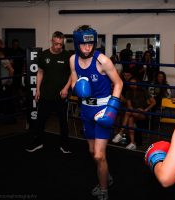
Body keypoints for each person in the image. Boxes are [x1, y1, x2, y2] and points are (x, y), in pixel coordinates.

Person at [70, 25, 123, 200]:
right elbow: (73, 81)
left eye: (91, 44)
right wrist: (78, 88)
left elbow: (119, 83)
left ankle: (103, 189)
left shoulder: (102, 61)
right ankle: (105, 176)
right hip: (85, 110)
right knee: (93, 152)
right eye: (84, 45)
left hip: (102, 112)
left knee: (100, 155)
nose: (88, 48)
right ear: (77, 44)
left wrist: (112, 109)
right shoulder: (73, 60)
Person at [25, 31, 72, 154]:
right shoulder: (44, 55)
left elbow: (73, 74)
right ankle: (38, 142)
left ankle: (64, 145)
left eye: (60, 44)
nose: (58, 46)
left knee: (63, 122)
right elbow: (40, 72)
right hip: (45, 94)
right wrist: (38, 89)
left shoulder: (67, 56)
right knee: (40, 120)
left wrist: (66, 88)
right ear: (52, 41)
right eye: (56, 43)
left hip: (61, 96)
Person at [112, 77, 156, 150]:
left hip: (142, 113)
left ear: (137, 83)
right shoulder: (128, 92)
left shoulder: (143, 91)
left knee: (128, 113)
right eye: (131, 83)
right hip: (133, 112)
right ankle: (133, 143)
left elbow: (154, 102)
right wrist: (135, 110)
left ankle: (121, 133)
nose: (133, 85)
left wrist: (145, 109)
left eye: (134, 83)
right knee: (130, 119)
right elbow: (129, 106)